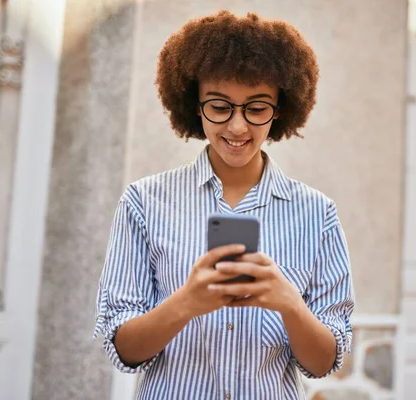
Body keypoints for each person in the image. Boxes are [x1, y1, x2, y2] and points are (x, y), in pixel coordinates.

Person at [93, 10, 355, 400]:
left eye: (257, 107)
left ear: (280, 109)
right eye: (219, 106)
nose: (237, 127)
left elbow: (322, 364)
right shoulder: (144, 202)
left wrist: (290, 305)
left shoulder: (318, 214)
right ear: (194, 105)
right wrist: (186, 303)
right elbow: (123, 349)